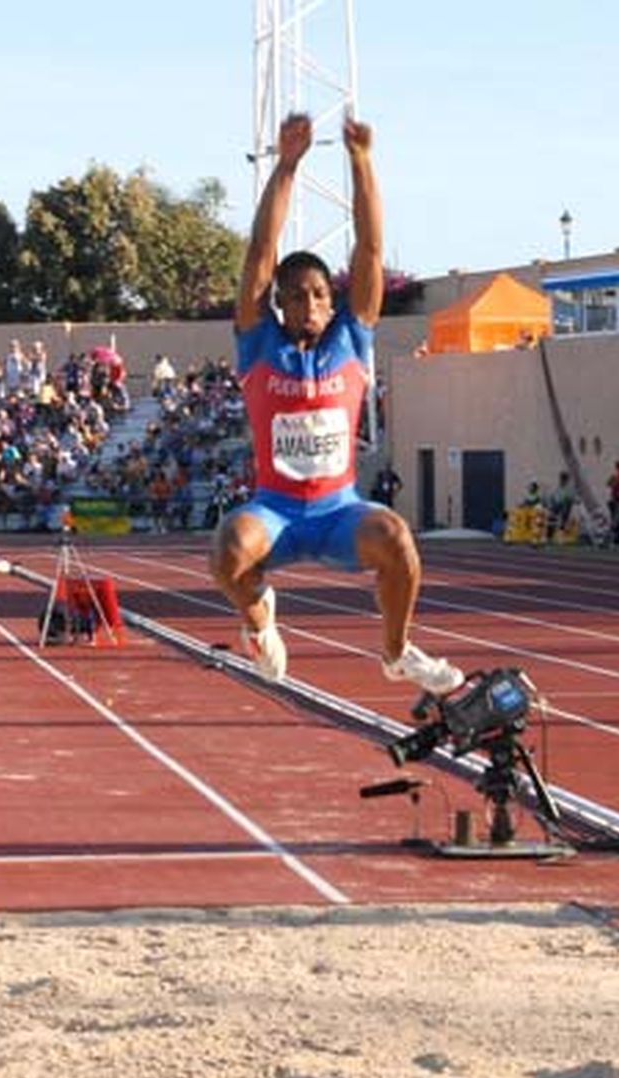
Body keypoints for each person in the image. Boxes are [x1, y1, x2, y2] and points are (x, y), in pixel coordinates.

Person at [209, 112, 460, 695]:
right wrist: (287, 166)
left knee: (397, 539)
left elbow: (370, 248)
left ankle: (397, 654)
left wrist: (362, 161)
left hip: (337, 511)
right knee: (227, 550)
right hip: (276, 512)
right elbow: (260, 250)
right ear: (280, 305)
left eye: (321, 294)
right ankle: (259, 617)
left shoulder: (351, 339)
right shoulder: (259, 343)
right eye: (297, 297)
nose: (312, 305)